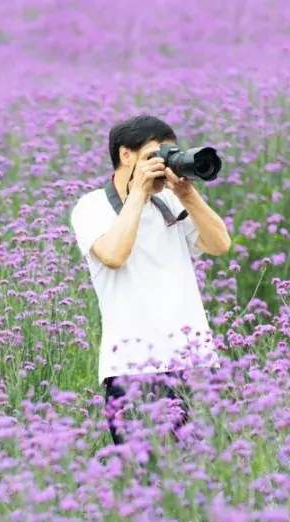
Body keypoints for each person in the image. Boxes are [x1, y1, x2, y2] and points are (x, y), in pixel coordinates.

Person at [69, 115, 232, 446]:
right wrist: (138, 194)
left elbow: (220, 245)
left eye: (169, 154)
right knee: (142, 480)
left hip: (194, 361)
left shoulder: (171, 201)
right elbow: (114, 255)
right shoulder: (92, 207)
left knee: (205, 477)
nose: (162, 165)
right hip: (132, 367)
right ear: (125, 155)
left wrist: (187, 194)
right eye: (153, 156)